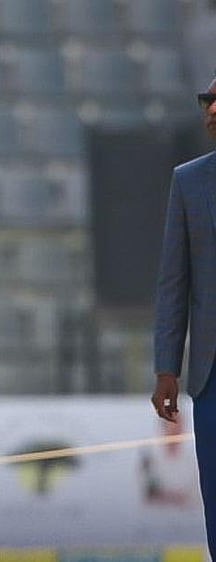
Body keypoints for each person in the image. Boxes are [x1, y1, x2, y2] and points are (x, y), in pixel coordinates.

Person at [151, 73, 216, 555]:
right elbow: (175, 282)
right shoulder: (189, 180)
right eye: (207, 101)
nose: (211, 110)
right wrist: (166, 366)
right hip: (213, 377)